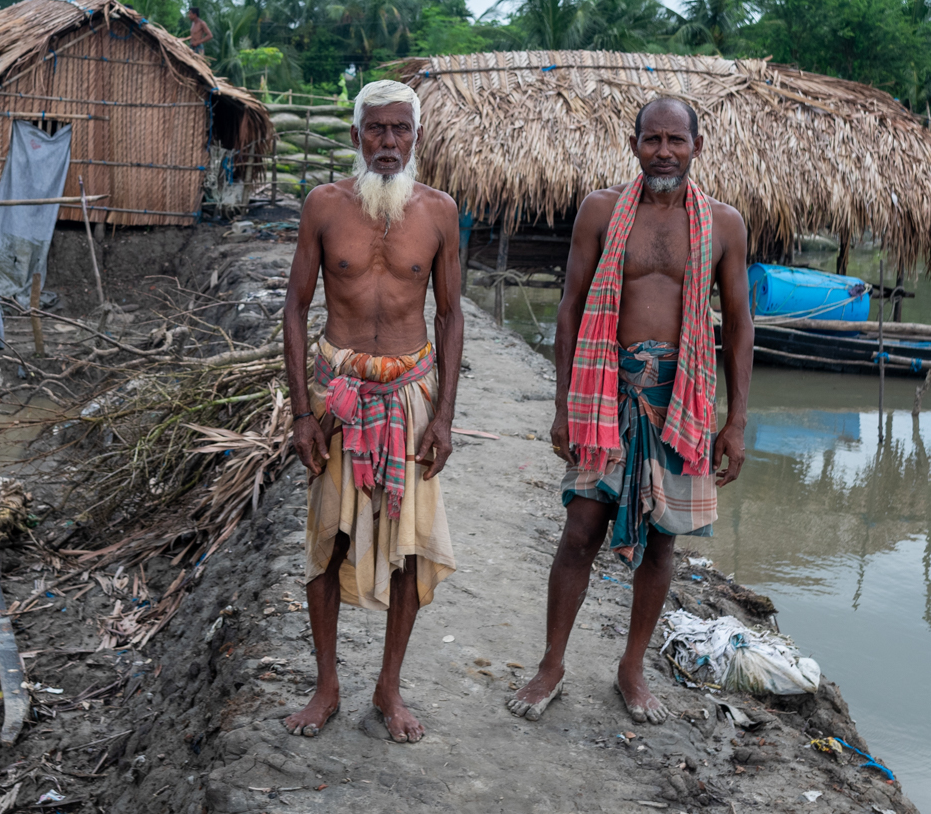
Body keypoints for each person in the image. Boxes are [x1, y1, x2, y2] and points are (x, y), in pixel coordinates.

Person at [507, 95, 753, 725]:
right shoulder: (600, 210)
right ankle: (551, 664)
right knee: (581, 529)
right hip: (604, 390)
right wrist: (563, 404)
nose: (663, 152)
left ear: (697, 145)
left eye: (676, 140)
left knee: (664, 539)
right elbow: (570, 307)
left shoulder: (724, 224)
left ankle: (632, 667)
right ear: (634, 143)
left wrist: (737, 420)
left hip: (684, 397)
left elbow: (740, 323)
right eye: (652, 140)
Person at [279, 79, 463, 743]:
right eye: (376, 130)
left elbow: (450, 314)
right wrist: (304, 414)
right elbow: (296, 308)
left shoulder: (439, 212)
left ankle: (389, 688)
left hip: (411, 398)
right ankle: (326, 686)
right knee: (329, 544)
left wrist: (443, 417)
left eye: (400, 130)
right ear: (356, 136)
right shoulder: (324, 207)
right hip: (340, 397)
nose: (389, 142)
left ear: (416, 136)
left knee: (410, 548)